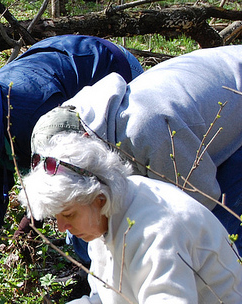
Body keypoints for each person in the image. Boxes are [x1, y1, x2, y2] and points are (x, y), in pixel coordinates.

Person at [19, 132, 242, 304]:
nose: (61, 227)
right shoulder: (109, 213)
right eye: (56, 217)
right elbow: (117, 294)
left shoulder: (157, 231)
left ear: (98, 198)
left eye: (68, 215)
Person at [0, 35, 143, 282]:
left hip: (110, 66)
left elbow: (68, 180)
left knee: (93, 196)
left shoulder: (33, 116)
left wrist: (33, 218)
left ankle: (103, 277)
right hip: (60, 57)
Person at [31, 44, 242, 254]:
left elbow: (199, 203)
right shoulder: (78, 118)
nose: (61, 226)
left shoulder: (149, 133)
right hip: (209, 101)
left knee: (217, 241)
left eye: (66, 215)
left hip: (234, 96)